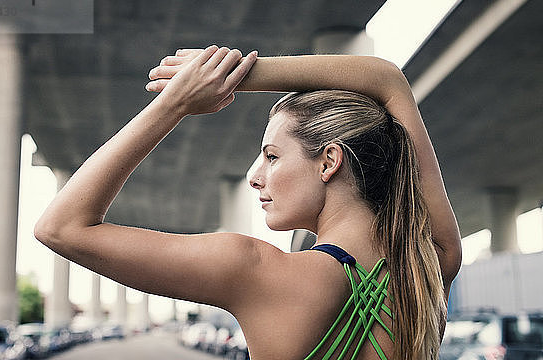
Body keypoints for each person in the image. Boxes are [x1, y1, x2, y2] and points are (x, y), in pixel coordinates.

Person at [35, 45, 462, 360]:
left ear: (329, 160)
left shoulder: (255, 270)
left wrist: (176, 102)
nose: (254, 176)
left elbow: (62, 227)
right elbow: (387, 80)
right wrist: (239, 75)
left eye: (272, 156)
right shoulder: (431, 263)